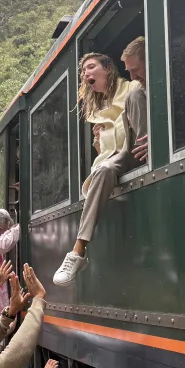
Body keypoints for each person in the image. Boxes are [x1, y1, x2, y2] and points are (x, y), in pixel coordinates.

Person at [53, 37, 148, 286]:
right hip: (117, 160)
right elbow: (105, 153)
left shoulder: (130, 88)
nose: (85, 73)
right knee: (103, 169)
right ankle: (78, 252)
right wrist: (99, 141)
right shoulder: (97, 112)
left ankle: (77, 249)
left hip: (139, 150)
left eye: (91, 67)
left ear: (108, 69)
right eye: (83, 71)